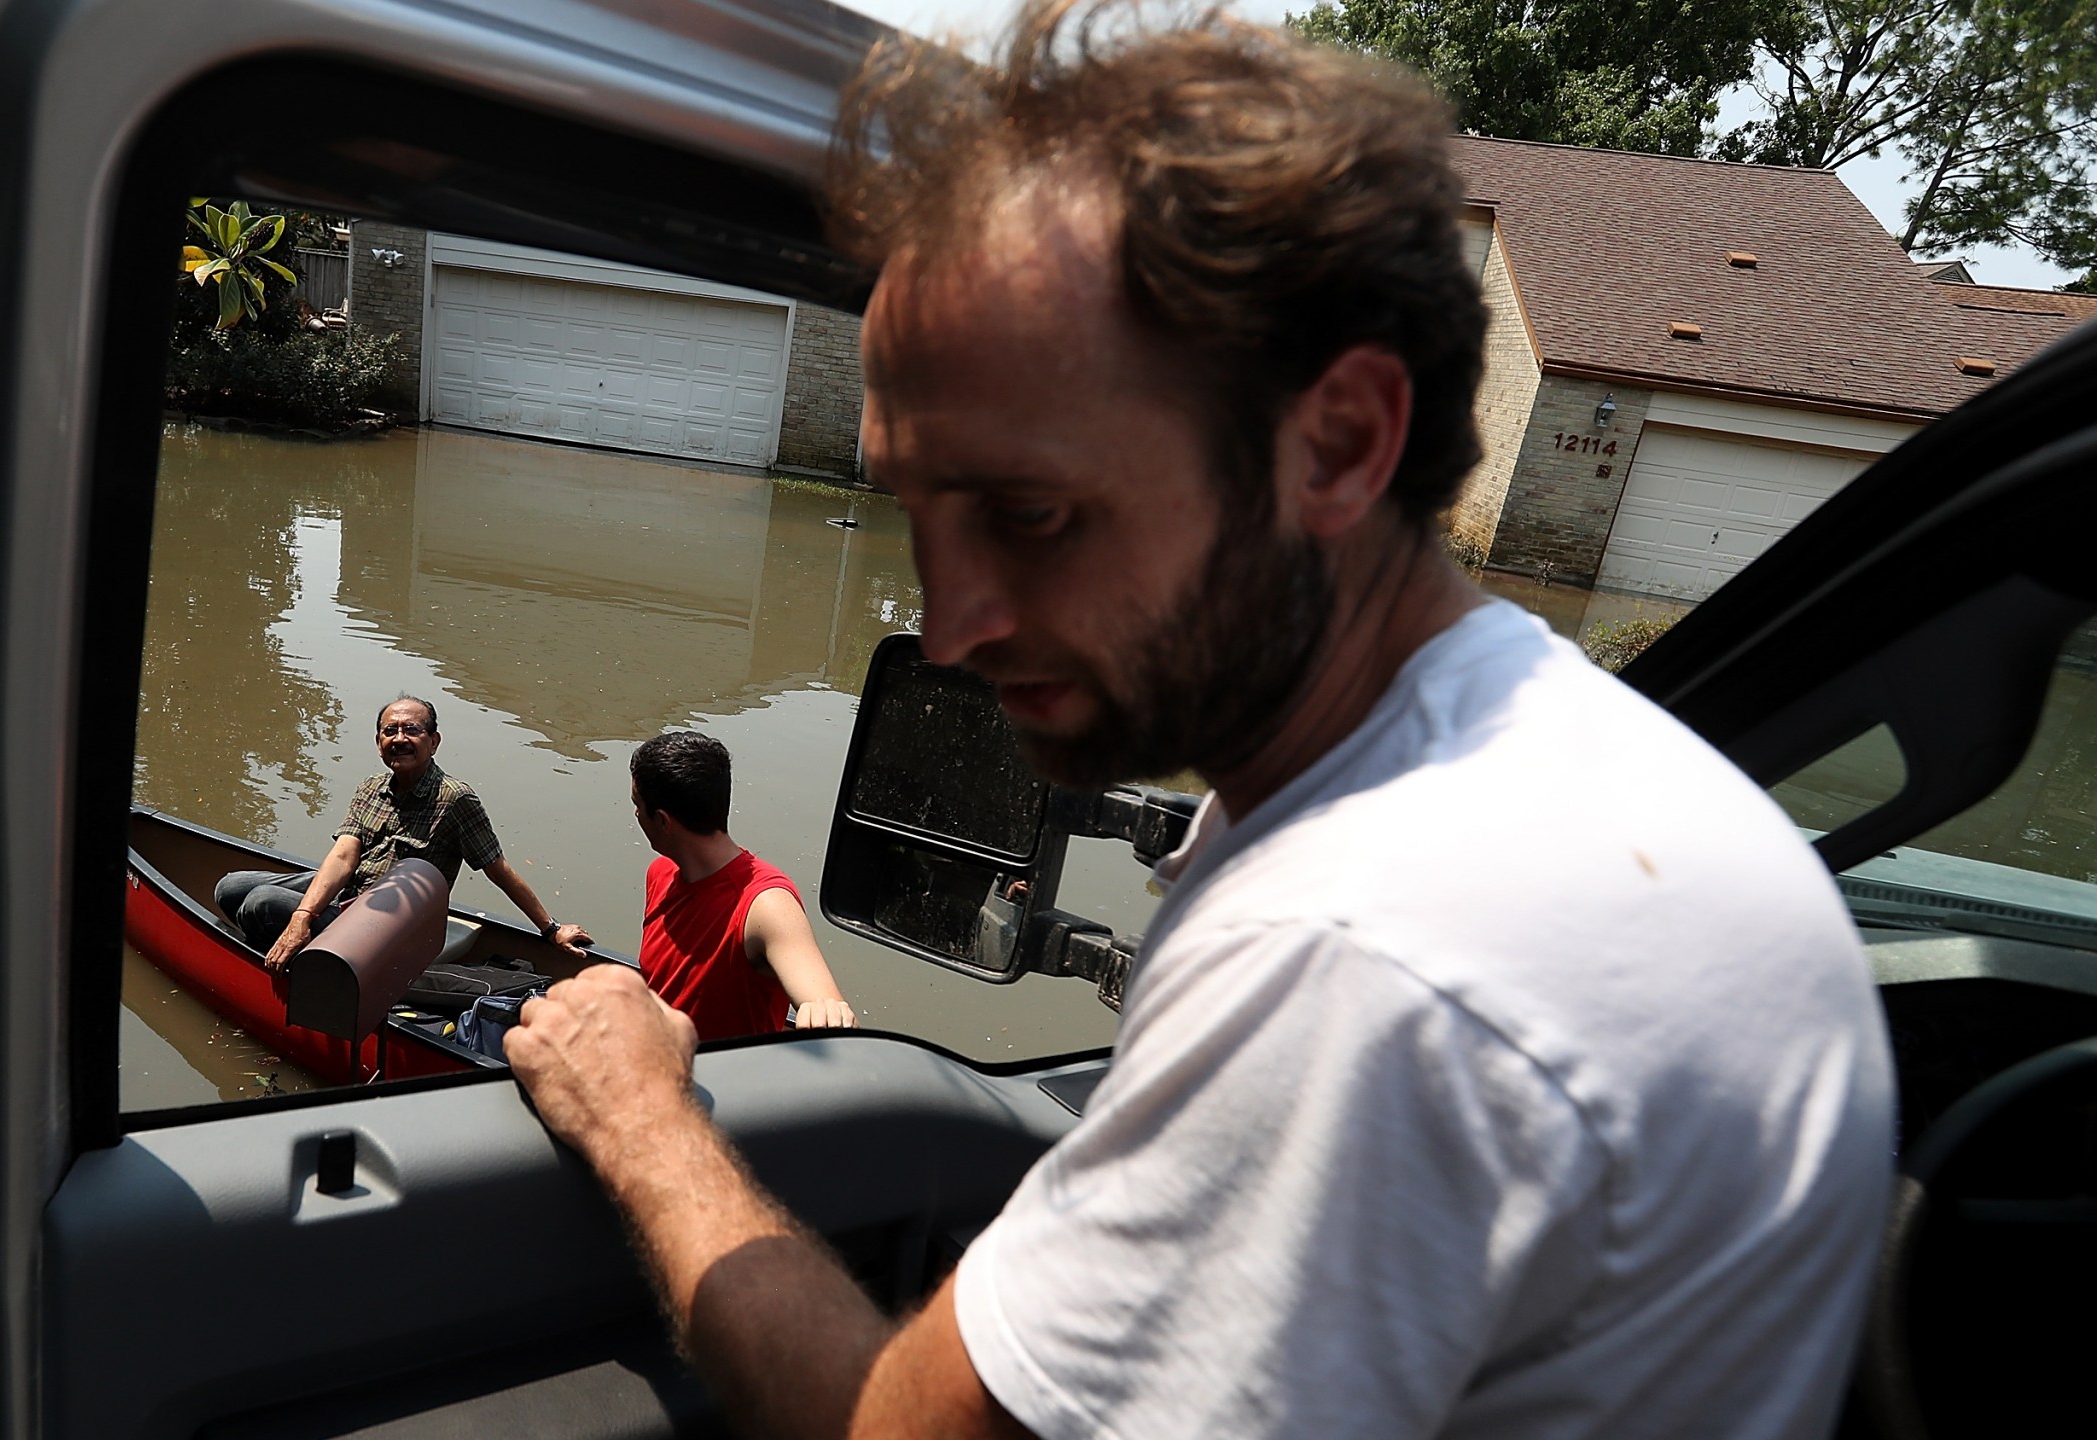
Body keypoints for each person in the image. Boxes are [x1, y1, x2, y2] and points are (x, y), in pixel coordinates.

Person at [503, 7, 1894, 1440]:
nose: (956, 623)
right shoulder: (1534, 760)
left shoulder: (1370, 958)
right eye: (921, 514)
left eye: (1032, 513)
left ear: (1339, 443)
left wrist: (640, 1120)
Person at [216, 695, 590, 969]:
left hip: (389, 926)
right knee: (229, 887)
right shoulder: (371, 788)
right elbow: (344, 857)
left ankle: (297, 969)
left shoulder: (455, 799)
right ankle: (295, 945)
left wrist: (550, 930)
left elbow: (498, 869)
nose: (399, 738)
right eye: (389, 730)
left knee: (260, 905)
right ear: (378, 742)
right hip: (351, 893)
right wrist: (303, 915)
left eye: (412, 730)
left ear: (434, 741)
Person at [628, 730, 857, 1038]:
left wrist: (826, 1010)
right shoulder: (660, 873)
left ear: (663, 821)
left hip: (727, 1079)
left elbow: (820, 998)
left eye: (638, 805)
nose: (635, 814)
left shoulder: (765, 904)